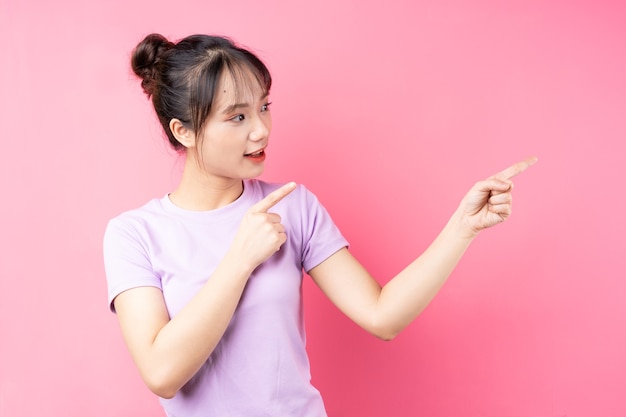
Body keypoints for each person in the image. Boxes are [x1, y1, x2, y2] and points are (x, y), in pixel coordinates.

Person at [103, 33, 537, 417]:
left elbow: (382, 315)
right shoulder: (134, 234)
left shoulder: (295, 207)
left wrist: (463, 227)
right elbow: (162, 373)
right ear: (184, 131)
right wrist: (239, 260)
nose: (261, 131)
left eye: (264, 107)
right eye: (237, 117)